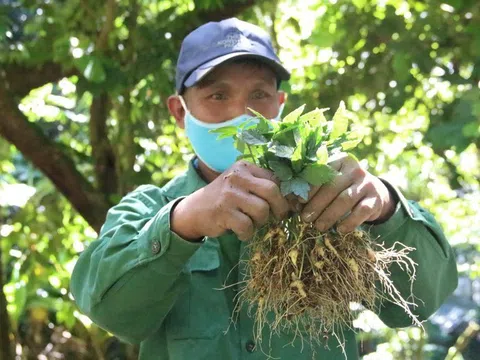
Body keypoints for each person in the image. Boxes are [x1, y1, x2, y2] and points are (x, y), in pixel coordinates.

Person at [70, 18, 458, 360]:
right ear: (178, 111)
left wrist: (385, 207)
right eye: (217, 95)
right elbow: (111, 313)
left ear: (281, 105)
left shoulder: (329, 196)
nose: (242, 114)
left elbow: (418, 302)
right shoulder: (147, 209)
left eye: (259, 95)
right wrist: (183, 221)